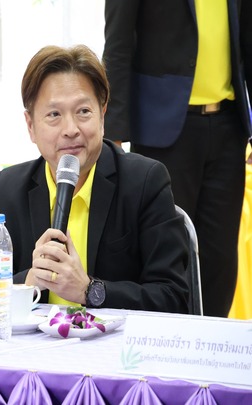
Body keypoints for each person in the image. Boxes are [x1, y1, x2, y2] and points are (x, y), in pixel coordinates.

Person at [0, 44, 189, 314]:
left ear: (102, 116)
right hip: (36, 341)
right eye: (54, 115)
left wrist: (89, 290)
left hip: (116, 341)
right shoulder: (11, 187)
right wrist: (28, 282)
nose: (70, 129)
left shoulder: (144, 182)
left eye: (83, 111)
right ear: (31, 126)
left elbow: (173, 297)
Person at [103, 0, 252, 317]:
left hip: (229, 125)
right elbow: (118, 44)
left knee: (220, 257)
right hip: (162, 130)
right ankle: (167, 339)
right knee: (167, 251)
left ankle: (212, 341)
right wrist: (112, 136)